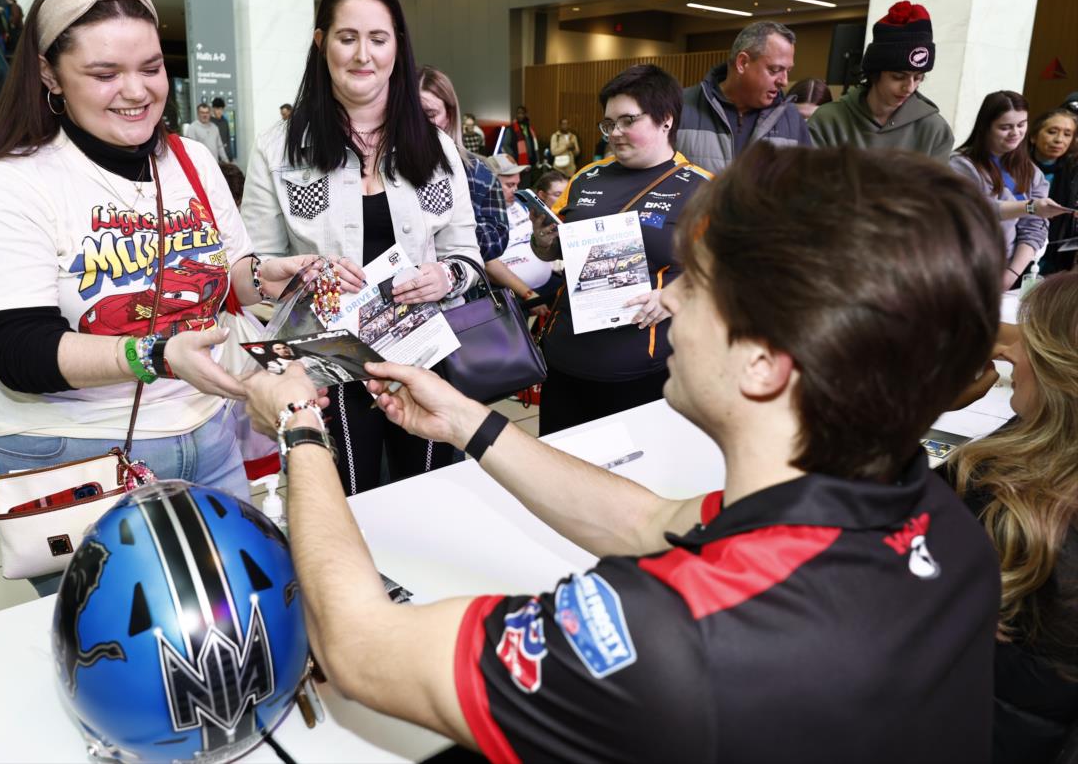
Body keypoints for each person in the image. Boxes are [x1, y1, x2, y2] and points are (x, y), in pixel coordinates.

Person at [242, 141, 1006, 763]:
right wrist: (469, 422)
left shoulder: (671, 645)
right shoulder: (937, 517)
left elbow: (362, 648)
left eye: (695, 286)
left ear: (765, 363)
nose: (667, 300)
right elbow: (649, 519)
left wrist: (302, 422)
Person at [0, 0, 319, 596]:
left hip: (205, 431)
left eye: (151, 67)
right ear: (48, 74)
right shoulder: (15, 185)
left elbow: (224, 274)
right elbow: (20, 351)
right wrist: (157, 354)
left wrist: (267, 276)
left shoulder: (191, 160)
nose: (137, 91)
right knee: (123, 645)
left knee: (230, 609)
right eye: (105, 73)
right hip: (75, 452)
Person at [240, 0, 480, 496]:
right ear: (322, 42)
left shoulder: (434, 147)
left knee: (430, 494)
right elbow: (249, 272)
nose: (363, 55)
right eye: (347, 38)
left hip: (421, 357)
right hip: (325, 371)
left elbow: (468, 258)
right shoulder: (280, 150)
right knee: (344, 501)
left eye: (379, 38)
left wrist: (444, 277)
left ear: (398, 45)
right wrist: (287, 277)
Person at [528, 64, 712, 435]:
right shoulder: (586, 177)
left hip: (640, 370)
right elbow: (548, 249)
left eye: (627, 121)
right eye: (608, 124)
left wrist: (671, 296)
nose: (614, 133)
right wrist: (542, 239)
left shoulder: (701, 189)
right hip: (565, 361)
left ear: (665, 120)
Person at [948, 272, 1078, 763]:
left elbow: (845, 526)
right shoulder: (1052, 457)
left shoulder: (1010, 517)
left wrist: (914, 410)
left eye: (1033, 346)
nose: (1011, 356)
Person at [950, 91, 1072, 289]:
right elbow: (976, 209)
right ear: (986, 127)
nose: (1015, 133)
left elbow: (1034, 229)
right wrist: (1030, 207)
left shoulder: (1031, 172)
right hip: (960, 269)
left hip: (1006, 273)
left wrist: (1010, 275)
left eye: (1021, 124)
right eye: (1005, 127)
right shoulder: (961, 165)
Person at [809, 1, 954, 160]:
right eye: (898, 77)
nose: (909, 87)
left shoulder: (935, 130)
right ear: (874, 73)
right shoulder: (828, 121)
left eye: (918, 77)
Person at [677, 21, 811, 175]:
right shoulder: (680, 106)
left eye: (788, 70)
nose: (784, 81)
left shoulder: (792, 118)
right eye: (775, 70)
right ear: (742, 62)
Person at [418, 65, 508, 262]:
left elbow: (498, 237)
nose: (420, 123)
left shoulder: (478, 172)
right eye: (413, 113)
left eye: (431, 114)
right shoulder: (382, 167)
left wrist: (448, 238)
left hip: (460, 283)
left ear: (449, 115)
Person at [484, 155, 557, 316]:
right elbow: (489, 263)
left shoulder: (520, 204)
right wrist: (527, 294)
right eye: (509, 185)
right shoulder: (482, 214)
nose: (515, 190)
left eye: (517, 184)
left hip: (545, 283)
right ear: (490, 182)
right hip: (513, 294)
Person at [1029, 107, 1078, 275]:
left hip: (1056, 258)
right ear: (1034, 136)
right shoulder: (1016, 167)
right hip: (1017, 251)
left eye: (1067, 134)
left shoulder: (1073, 173)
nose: (1059, 140)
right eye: (1052, 132)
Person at [498, 105, 541, 173]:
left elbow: (534, 145)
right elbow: (505, 145)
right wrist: (513, 156)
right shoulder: (511, 129)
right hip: (517, 162)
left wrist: (537, 159)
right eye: (518, 113)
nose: (520, 115)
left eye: (522, 113)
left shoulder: (529, 128)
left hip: (530, 162)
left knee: (527, 182)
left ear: (525, 114)